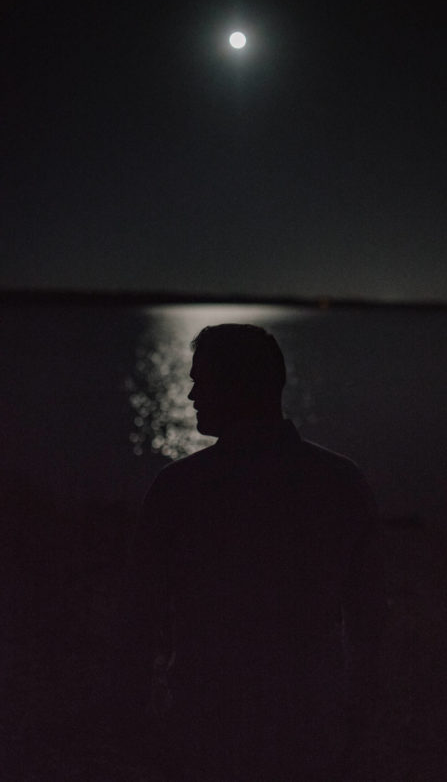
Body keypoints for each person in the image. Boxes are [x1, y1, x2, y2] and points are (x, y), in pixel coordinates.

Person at [118, 324, 385, 781]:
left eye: (201, 382)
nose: (191, 395)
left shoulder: (180, 489)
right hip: (309, 729)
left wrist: (135, 721)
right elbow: (369, 627)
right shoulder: (342, 483)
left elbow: (138, 619)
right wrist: (358, 726)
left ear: (235, 385)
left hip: (205, 728)